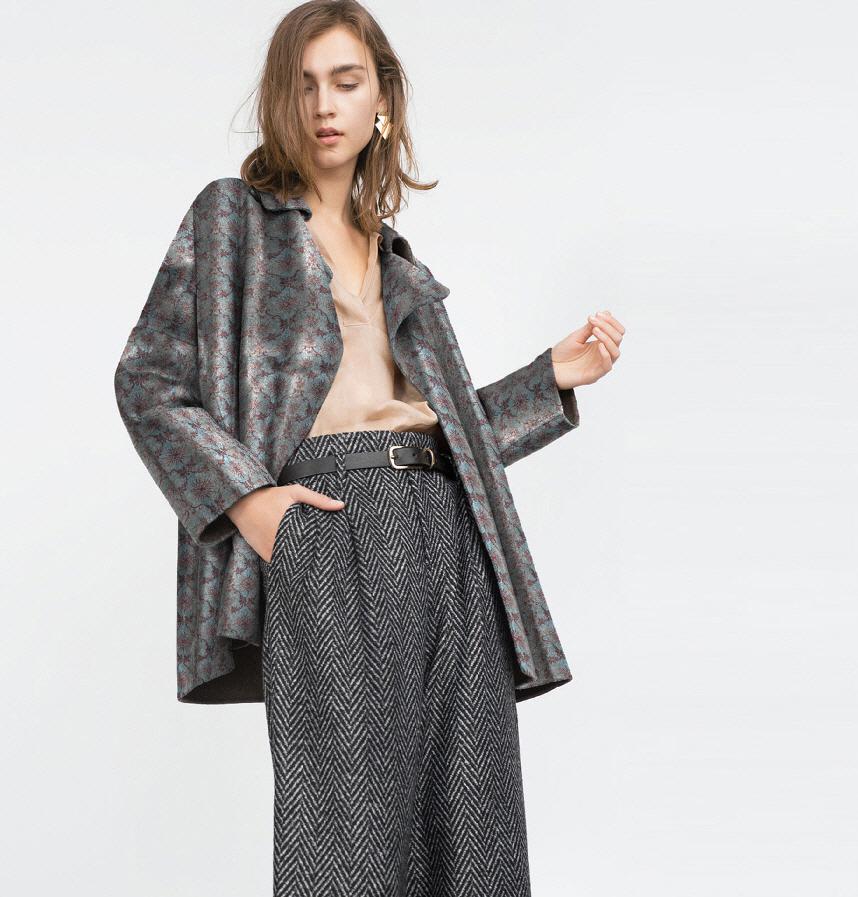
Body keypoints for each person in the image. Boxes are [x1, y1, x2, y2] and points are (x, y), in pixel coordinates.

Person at [114, 1, 624, 894]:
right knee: (347, 843)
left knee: (474, 832)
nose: (325, 104)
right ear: (281, 100)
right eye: (305, 85)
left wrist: (550, 378)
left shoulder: (398, 261)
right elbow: (147, 380)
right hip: (329, 529)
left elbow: (444, 435)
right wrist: (250, 502)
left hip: (450, 537)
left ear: (381, 99)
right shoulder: (235, 221)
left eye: (346, 82)